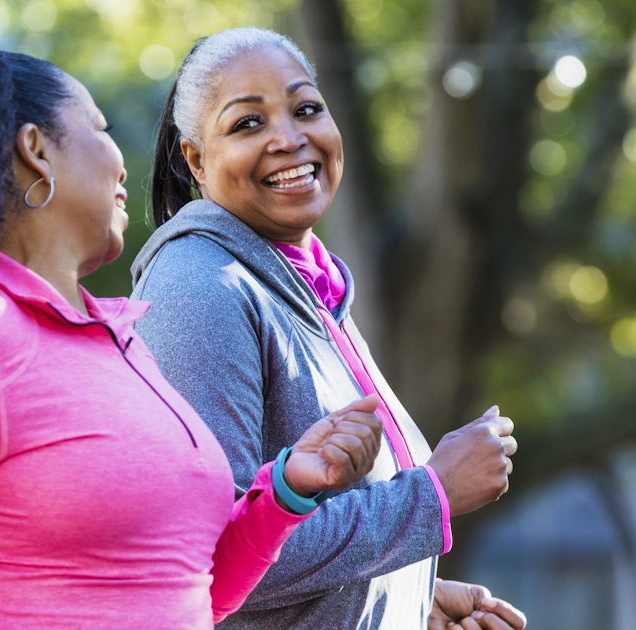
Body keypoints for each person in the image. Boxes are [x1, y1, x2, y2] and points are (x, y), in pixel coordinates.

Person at [0, 9, 390, 629]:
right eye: (98, 128)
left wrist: (285, 491)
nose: (124, 163)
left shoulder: (119, 344)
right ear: (36, 151)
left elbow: (191, 588)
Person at [131, 27, 527, 630]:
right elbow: (213, 556)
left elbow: (308, 537)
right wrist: (433, 494)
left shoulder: (305, 285)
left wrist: (410, 599)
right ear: (195, 159)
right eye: (247, 124)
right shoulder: (201, 288)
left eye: (306, 109)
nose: (289, 139)